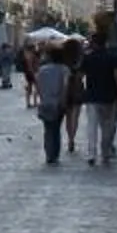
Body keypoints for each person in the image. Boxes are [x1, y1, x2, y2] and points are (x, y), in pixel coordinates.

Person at [77, 26, 117, 167]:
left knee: (91, 126)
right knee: (108, 127)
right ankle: (105, 152)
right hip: (110, 96)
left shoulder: (87, 58)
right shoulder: (113, 57)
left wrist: (79, 91)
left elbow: (79, 77)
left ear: (93, 42)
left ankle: (91, 154)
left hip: (92, 96)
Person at [31, 38, 75, 166]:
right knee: (56, 128)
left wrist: (41, 96)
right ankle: (54, 153)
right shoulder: (64, 69)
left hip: (45, 102)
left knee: (47, 129)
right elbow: (66, 85)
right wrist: (63, 99)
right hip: (58, 103)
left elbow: (37, 84)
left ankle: (49, 153)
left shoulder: (42, 69)